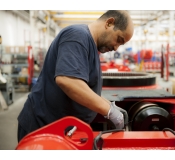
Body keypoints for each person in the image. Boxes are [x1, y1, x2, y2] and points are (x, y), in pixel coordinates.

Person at [17, 10, 134, 142]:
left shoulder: (90, 45)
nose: (116, 48)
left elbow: (85, 88)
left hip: (61, 129)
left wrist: (109, 105)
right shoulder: (77, 36)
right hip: (42, 128)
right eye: (119, 40)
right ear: (109, 23)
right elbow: (68, 80)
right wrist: (109, 111)